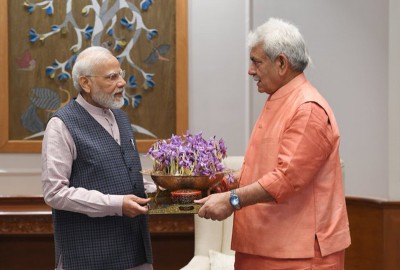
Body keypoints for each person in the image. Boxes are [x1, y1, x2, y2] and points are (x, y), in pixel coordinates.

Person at [195, 18, 351, 269]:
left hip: (298, 255)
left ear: (281, 63)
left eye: (256, 62)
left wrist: (231, 200)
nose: (250, 70)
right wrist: (219, 182)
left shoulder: (307, 108)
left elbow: (286, 179)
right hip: (264, 246)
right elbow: (262, 167)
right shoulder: (280, 99)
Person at [42, 46, 153, 270]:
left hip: (135, 251)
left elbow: (127, 175)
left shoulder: (121, 118)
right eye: (112, 77)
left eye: (120, 74)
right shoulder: (61, 125)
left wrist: (161, 188)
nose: (122, 82)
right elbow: (54, 193)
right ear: (85, 83)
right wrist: (117, 204)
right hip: (88, 257)